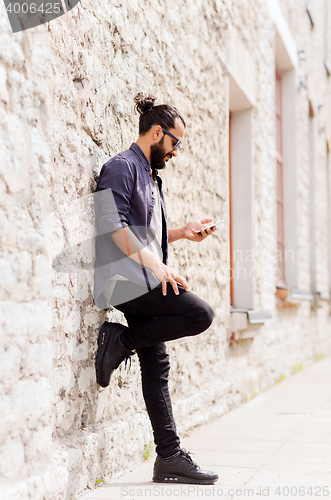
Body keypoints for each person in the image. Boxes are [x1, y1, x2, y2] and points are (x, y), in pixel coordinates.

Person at [93, 92, 218, 485]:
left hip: (143, 278)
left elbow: (145, 236)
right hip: (123, 281)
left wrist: (183, 232)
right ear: (158, 133)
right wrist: (160, 267)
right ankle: (122, 340)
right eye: (175, 142)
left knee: (156, 366)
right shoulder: (120, 167)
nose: (177, 152)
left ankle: (168, 458)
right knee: (200, 314)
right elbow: (112, 227)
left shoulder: (150, 177)